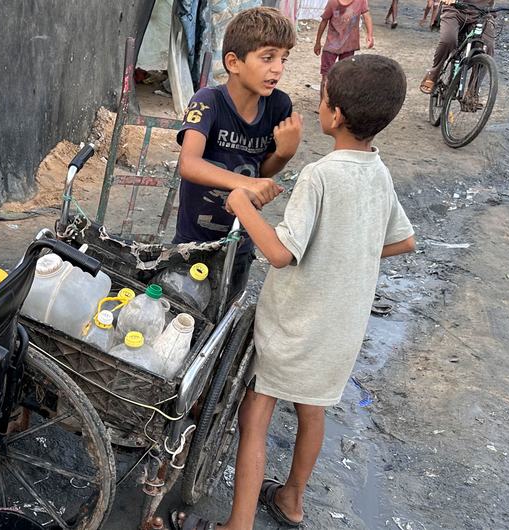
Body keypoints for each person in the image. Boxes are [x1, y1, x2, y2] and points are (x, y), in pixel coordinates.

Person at [173, 55, 416, 530]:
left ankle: (238, 523)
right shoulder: (378, 171)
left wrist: (242, 204)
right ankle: (292, 500)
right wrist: (344, 259)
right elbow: (402, 240)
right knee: (312, 409)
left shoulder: (320, 176)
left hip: (295, 324)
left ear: (335, 115)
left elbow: (280, 254)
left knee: (256, 413)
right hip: (342, 328)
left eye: (322, 98)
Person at [174, 7, 301, 291]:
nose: (278, 68)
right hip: (193, 240)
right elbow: (189, 164)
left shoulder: (279, 106)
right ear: (233, 62)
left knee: (226, 314)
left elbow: (261, 168)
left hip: (240, 240)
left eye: (283, 59)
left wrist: (283, 154)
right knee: (183, 311)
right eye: (268, 57)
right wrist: (248, 183)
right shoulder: (208, 101)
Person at [419, 0, 509, 93]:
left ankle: (473, 91)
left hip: (483, 13)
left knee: (488, 47)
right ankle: (433, 74)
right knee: (448, 41)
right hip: (455, 9)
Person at [313, 0, 375, 88]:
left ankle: (338, 100)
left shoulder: (360, 1)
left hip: (348, 46)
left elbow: (367, 16)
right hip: (332, 46)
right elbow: (324, 21)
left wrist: (370, 35)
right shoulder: (333, 3)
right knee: (326, 78)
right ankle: (324, 101)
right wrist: (317, 42)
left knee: (344, 77)